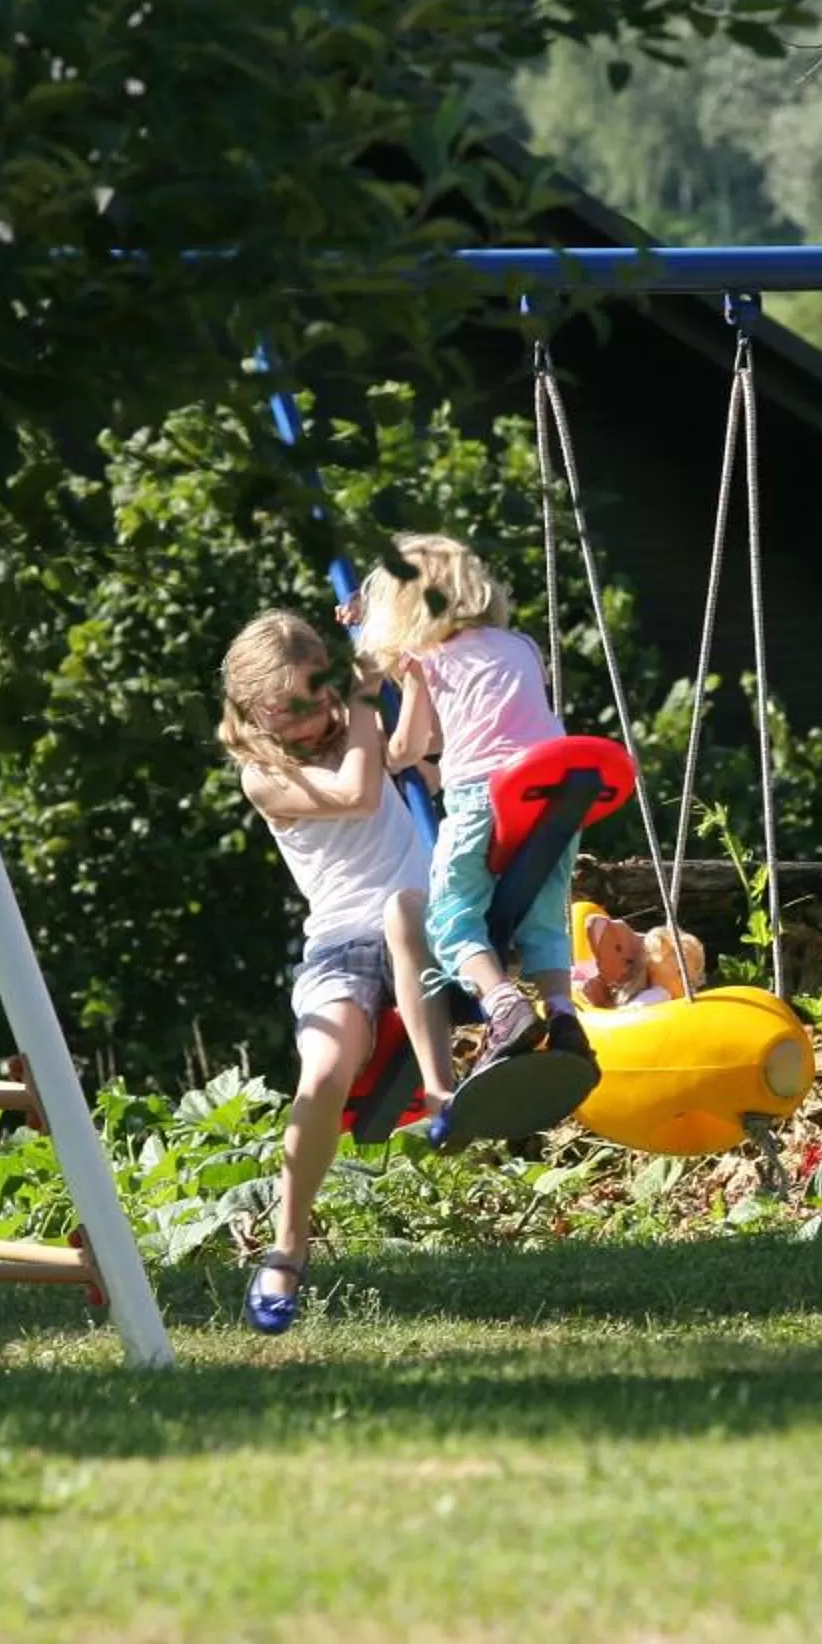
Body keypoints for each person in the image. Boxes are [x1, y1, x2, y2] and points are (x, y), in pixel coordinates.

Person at [216, 609, 447, 1333]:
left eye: (320, 699)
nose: (314, 720)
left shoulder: (358, 720)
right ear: (255, 710)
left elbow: (421, 748)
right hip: (342, 945)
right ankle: (287, 1245)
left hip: (426, 925)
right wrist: (363, 703)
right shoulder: (265, 774)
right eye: (293, 710)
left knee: (421, 915)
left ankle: (451, 1094)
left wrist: (391, 659)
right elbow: (359, 793)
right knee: (321, 1072)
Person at [357, 535, 589, 1116]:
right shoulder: (521, 646)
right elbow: (489, 722)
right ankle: (562, 1013)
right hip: (554, 789)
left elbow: (411, 746)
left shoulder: (427, 660)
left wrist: (385, 732)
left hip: (483, 793)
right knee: (544, 910)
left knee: (449, 913)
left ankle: (503, 1001)